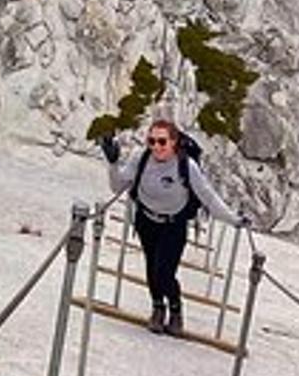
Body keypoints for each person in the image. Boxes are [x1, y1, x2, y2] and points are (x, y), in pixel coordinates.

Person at [101, 118, 248, 335]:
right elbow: (117, 186)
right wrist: (113, 163)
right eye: (151, 141)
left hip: (173, 224)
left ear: (174, 143)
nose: (156, 147)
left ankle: (176, 310)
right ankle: (158, 308)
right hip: (146, 220)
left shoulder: (186, 166)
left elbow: (209, 197)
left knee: (165, 271)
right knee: (152, 267)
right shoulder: (140, 158)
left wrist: (233, 219)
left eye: (162, 142)